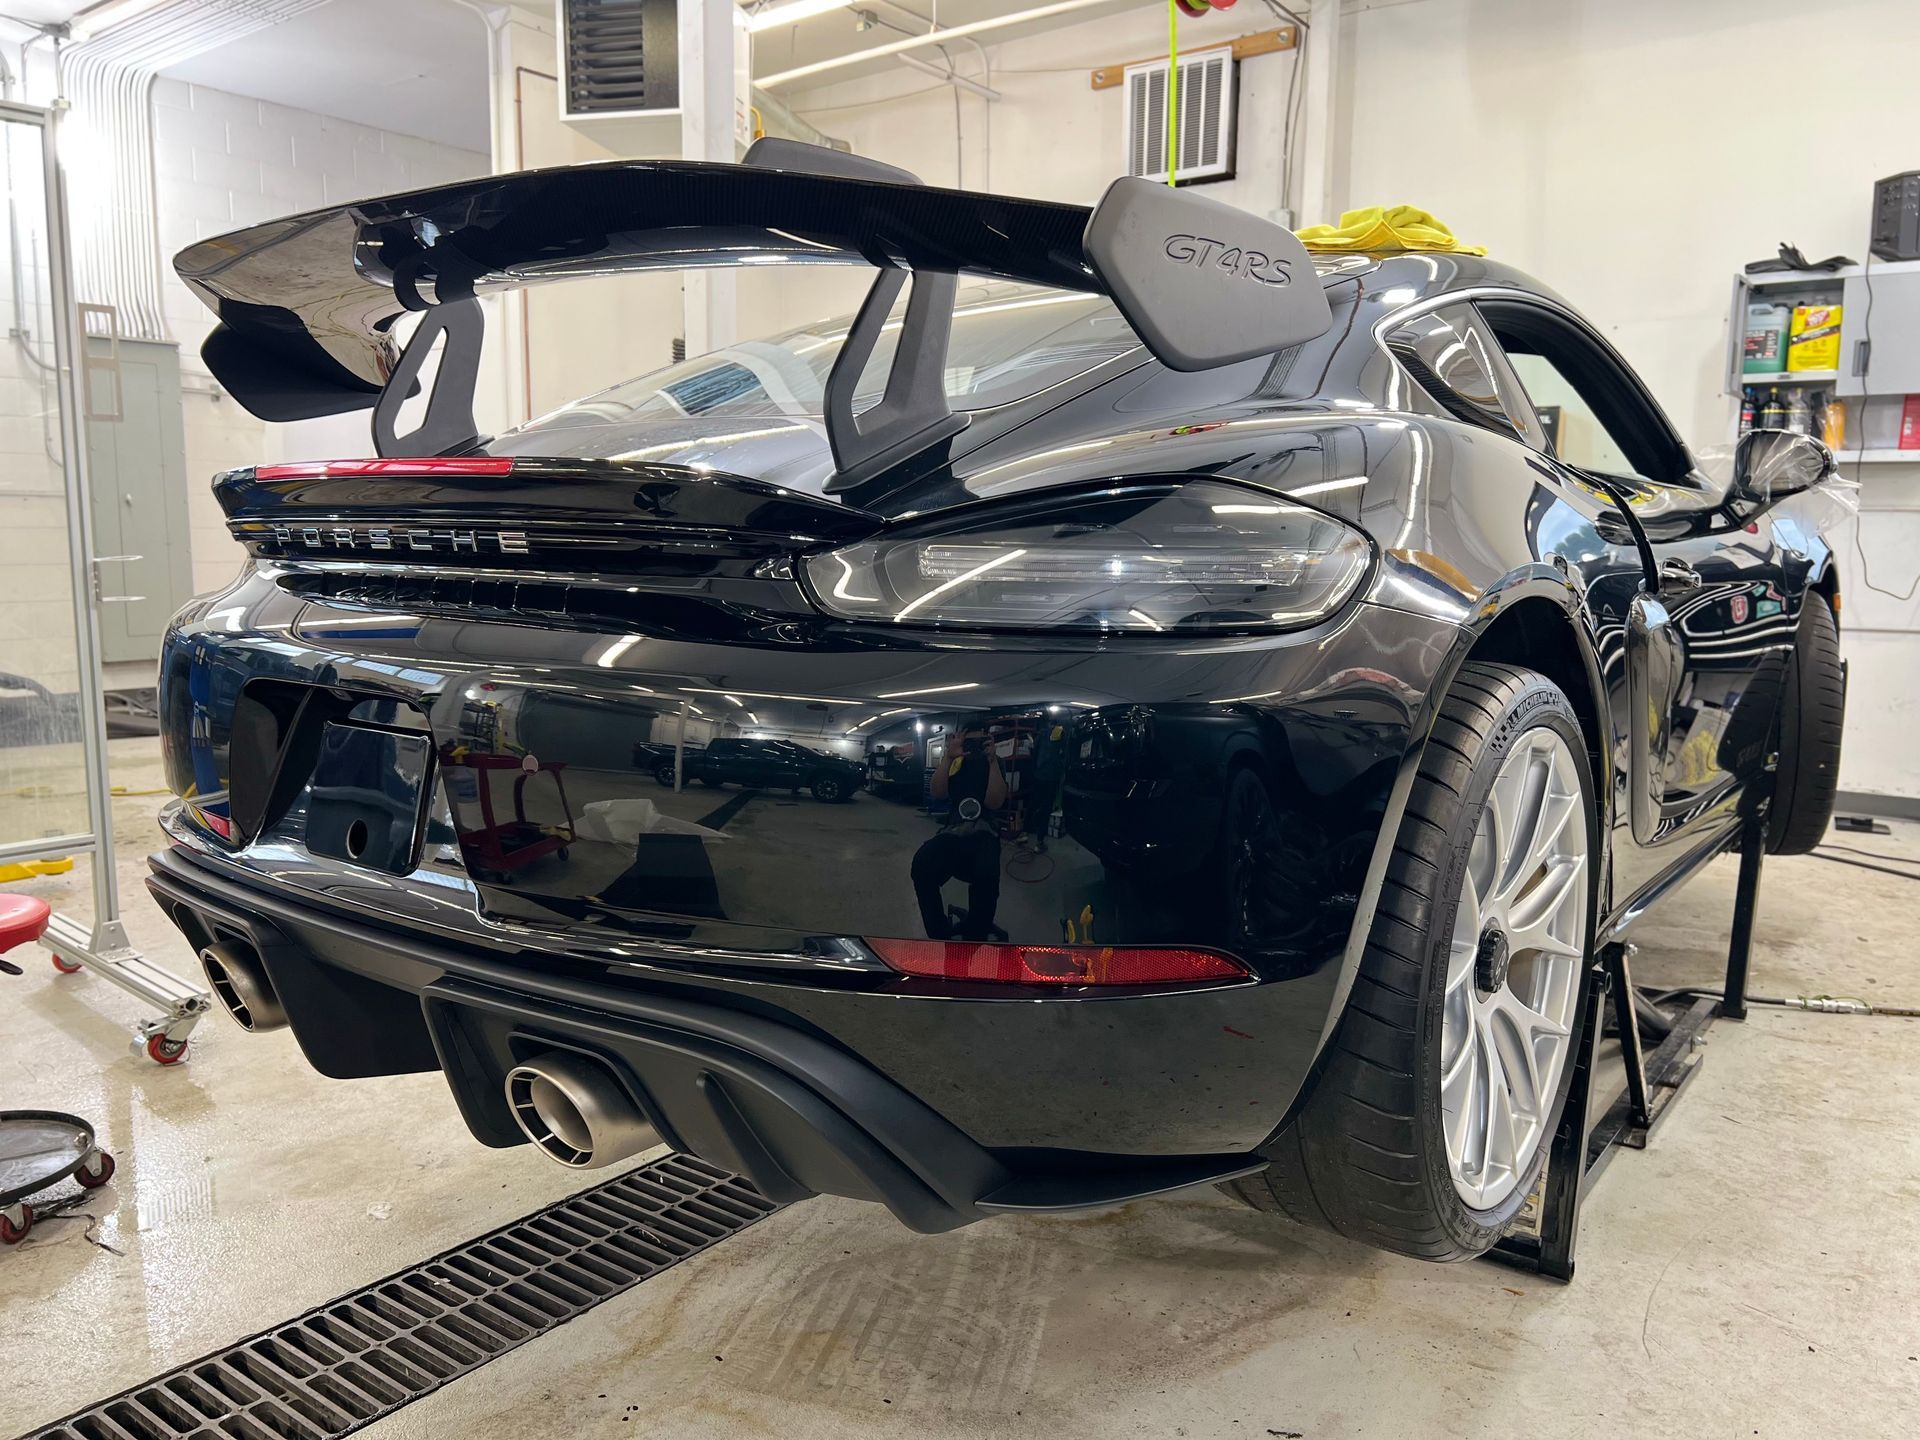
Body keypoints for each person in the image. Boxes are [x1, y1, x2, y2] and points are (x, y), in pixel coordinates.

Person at [910, 727, 1008, 941]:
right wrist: (948, 757)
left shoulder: (994, 763)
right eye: (968, 744)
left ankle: (975, 935)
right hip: (953, 831)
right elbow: (937, 793)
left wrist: (992, 762)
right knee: (921, 865)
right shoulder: (954, 763)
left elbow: (995, 802)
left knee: (987, 874)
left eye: (978, 744)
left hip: (984, 831)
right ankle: (939, 934)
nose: (972, 749)